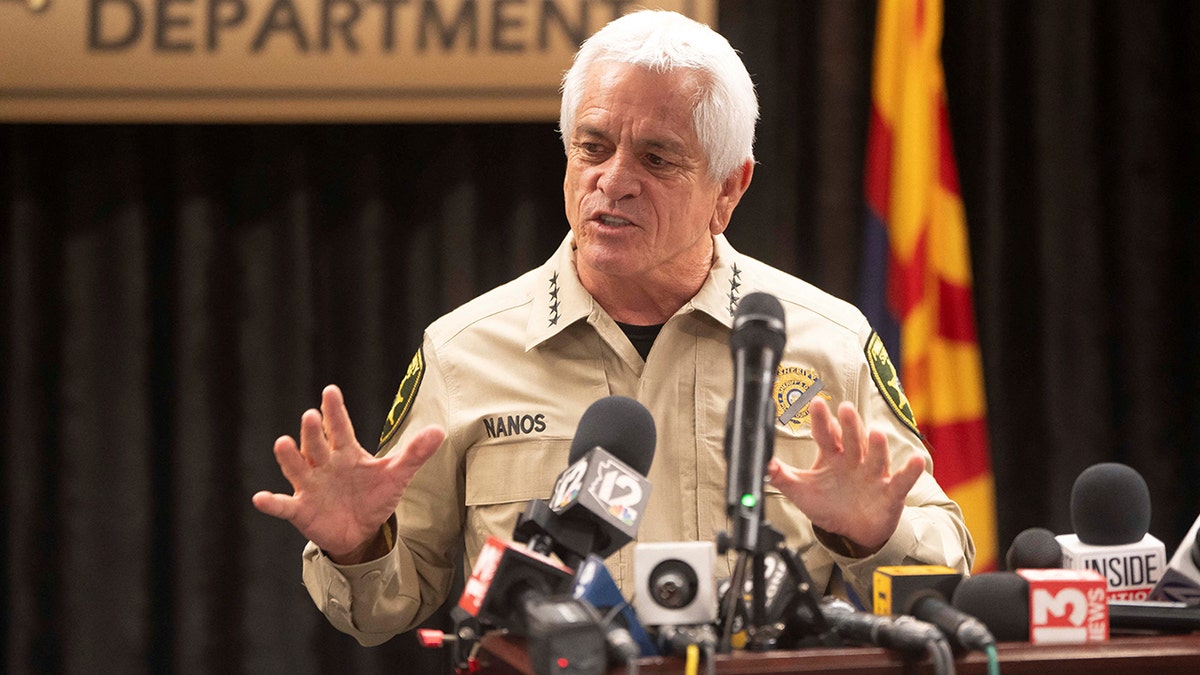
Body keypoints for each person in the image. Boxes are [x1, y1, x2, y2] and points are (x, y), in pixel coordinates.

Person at [252, 9, 974, 646]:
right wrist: (358, 549)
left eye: (657, 158)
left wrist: (872, 534)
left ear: (729, 187)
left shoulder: (828, 344)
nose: (614, 179)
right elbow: (384, 608)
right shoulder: (465, 352)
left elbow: (946, 568)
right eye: (593, 147)